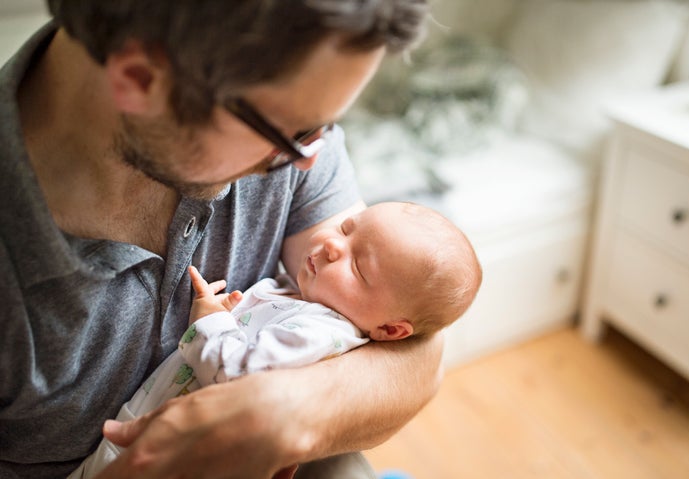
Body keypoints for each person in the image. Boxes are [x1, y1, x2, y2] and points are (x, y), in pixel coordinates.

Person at [0, 1, 447, 478]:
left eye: (322, 126)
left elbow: (418, 349)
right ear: (140, 80)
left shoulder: (265, 116)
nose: (308, 161)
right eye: (294, 133)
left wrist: (277, 416)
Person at [70, 201, 482, 478]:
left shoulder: (321, 334)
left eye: (358, 266)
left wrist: (211, 321)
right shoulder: (307, 294)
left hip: (168, 454)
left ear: (390, 330)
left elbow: (239, 376)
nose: (334, 245)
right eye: (346, 229)